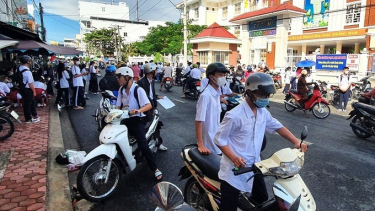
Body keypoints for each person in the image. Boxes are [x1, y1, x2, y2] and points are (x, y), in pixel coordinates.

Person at [214, 73, 308, 211]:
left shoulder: (262, 112)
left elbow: (278, 127)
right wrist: (233, 157)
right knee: (228, 207)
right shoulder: (234, 116)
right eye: (262, 95)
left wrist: (295, 141)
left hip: (254, 166)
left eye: (267, 96)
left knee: (262, 198)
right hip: (233, 171)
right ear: (250, 92)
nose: (265, 99)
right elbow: (219, 139)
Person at [115, 67, 163, 180]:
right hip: (125, 119)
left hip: (137, 120)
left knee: (143, 145)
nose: (118, 79)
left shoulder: (138, 90)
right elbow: (118, 106)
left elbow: (148, 105)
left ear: (127, 77)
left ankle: (155, 168)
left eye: (119, 77)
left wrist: (138, 111)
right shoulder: (121, 90)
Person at [195, 63, 229, 155]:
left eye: (224, 75)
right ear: (211, 76)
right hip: (209, 145)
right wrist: (200, 145)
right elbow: (199, 121)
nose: (223, 77)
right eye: (220, 75)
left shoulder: (216, 94)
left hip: (217, 140)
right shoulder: (205, 96)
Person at [137, 63, 167, 151]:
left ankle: (158, 143)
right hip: (146, 109)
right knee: (147, 127)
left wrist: (157, 97)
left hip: (152, 107)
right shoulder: (141, 82)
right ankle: (144, 146)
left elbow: (151, 94)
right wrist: (151, 107)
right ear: (151, 71)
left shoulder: (152, 81)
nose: (157, 72)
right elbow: (144, 97)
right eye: (156, 70)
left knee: (156, 125)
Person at [18, 55, 40, 123]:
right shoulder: (28, 72)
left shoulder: (19, 68)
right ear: (28, 62)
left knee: (32, 102)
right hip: (28, 89)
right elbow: (30, 83)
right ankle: (28, 119)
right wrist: (34, 91)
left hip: (22, 88)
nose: (31, 62)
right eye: (30, 61)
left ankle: (35, 115)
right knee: (27, 104)